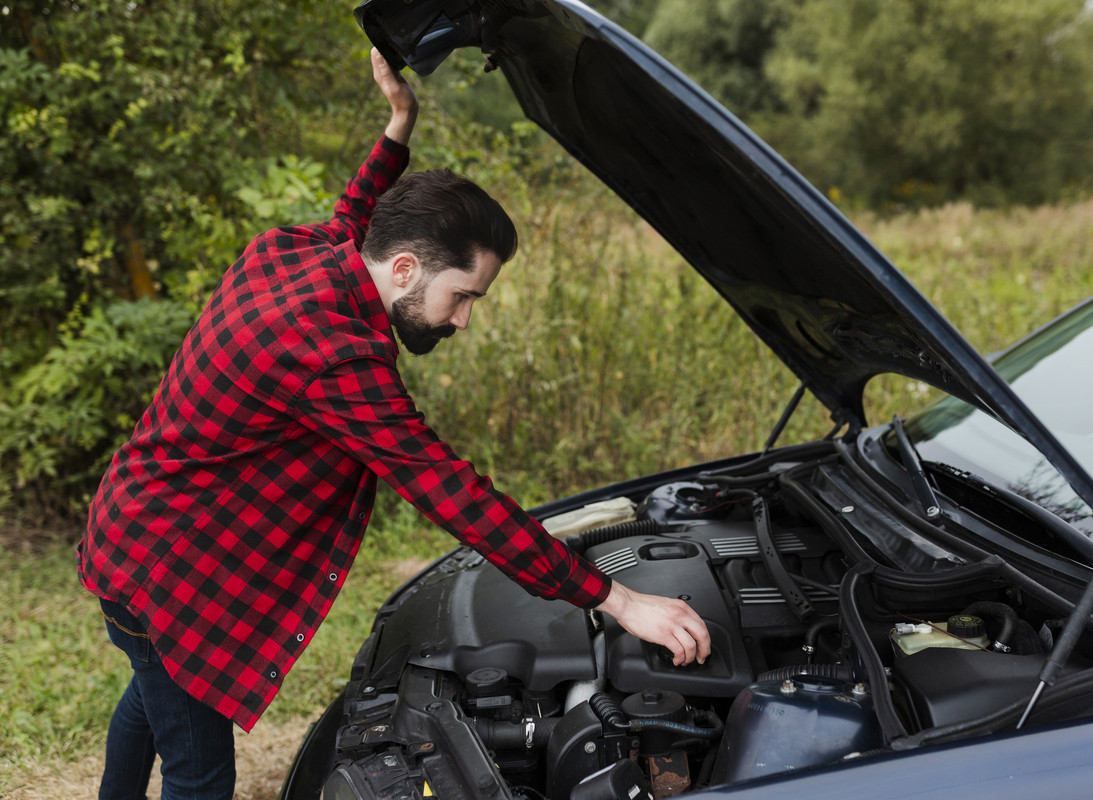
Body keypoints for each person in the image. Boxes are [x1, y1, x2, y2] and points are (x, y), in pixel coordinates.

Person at [78, 48, 711, 799]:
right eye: (464, 295)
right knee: (200, 770)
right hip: (172, 578)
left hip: (134, 532)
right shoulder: (332, 354)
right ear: (406, 270)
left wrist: (398, 129)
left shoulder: (295, 251)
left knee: (154, 702)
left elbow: (357, 215)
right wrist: (616, 598)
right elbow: (450, 491)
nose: (466, 320)